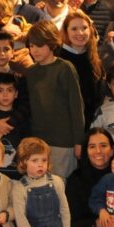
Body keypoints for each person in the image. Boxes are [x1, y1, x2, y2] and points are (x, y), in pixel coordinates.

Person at [24, 21, 84, 178]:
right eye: (31, 46)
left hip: (63, 141)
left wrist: (78, 141)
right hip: (37, 141)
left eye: (39, 45)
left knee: (60, 185)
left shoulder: (64, 68)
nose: (34, 50)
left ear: (51, 43)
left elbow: (76, 107)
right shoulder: (30, 72)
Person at [60, 9, 104, 128]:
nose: (80, 33)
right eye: (74, 29)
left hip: (91, 125)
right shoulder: (58, 59)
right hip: (65, 126)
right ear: (66, 32)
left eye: (84, 28)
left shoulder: (95, 59)